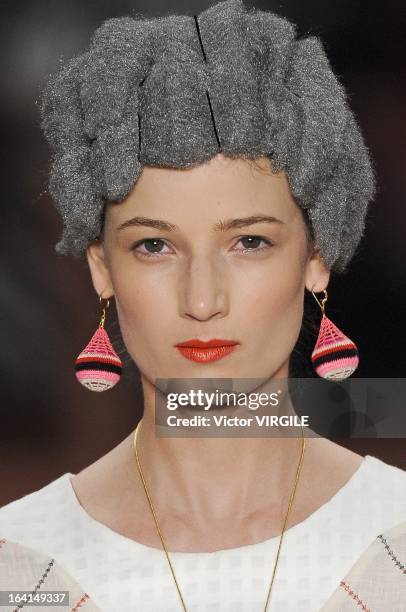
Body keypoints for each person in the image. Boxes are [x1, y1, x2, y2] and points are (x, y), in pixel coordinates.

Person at [1, 1, 405, 611]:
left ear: (317, 255)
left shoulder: (394, 538)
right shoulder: (19, 563)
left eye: (249, 242)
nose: (201, 300)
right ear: (101, 268)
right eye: (154, 245)